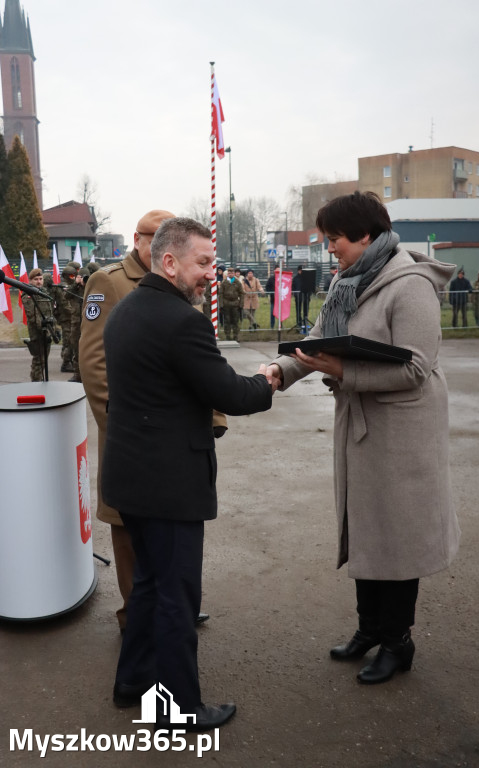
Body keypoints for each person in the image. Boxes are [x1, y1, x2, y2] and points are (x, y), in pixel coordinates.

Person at [267, 191, 460, 685]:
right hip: (360, 424)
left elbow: (417, 369)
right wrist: (281, 370)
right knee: (365, 526)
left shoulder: (410, 285)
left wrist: (344, 371)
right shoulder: (349, 281)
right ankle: (369, 629)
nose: (330, 249)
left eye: (334, 240)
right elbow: (317, 340)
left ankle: (399, 641)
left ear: (365, 236)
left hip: (401, 433)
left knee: (397, 535)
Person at [102, 217, 274, 731]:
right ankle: (179, 710)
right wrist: (268, 380)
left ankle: (132, 682)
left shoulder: (127, 309)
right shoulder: (182, 321)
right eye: (202, 263)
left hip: (131, 480)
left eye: (212, 264)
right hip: (169, 485)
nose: (209, 274)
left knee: (151, 588)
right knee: (177, 597)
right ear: (169, 261)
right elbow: (231, 394)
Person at [80, 209, 218, 631]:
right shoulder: (109, 282)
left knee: (166, 542)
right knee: (129, 532)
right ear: (141, 240)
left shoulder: (182, 288)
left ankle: (171, 613)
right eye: (159, 238)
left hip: (171, 438)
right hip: (129, 433)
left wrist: (214, 416)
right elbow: (93, 362)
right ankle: (134, 621)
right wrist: (123, 422)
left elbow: (198, 364)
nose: (165, 247)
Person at [21, 268, 55, 382]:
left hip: (47, 331)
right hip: (38, 334)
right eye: (36, 279)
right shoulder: (28, 295)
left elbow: (50, 312)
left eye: (40, 279)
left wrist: (53, 329)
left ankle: (40, 382)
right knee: (38, 361)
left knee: (44, 360)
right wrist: (46, 331)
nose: (39, 281)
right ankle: (35, 383)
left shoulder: (44, 293)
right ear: (30, 281)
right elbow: (34, 317)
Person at [219, 266, 244, 341]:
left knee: (235, 321)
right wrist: (221, 305)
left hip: (235, 304)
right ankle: (227, 336)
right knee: (227, 321)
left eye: (232, 273)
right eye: (229, 273)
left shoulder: (237, 282)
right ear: (227, 274)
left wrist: (241, 304)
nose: (230, 274)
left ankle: (236, 336)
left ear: (234, 274)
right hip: (226, 304)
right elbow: (221, 294)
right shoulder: (224, 282)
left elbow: (241, 293)